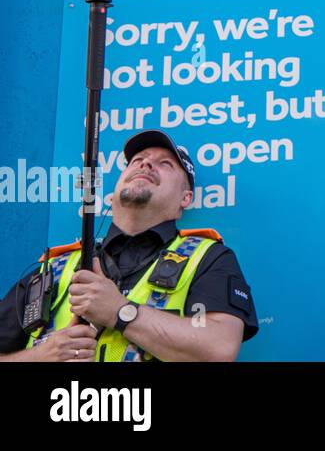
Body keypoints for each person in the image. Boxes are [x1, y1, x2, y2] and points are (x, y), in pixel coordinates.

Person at [0, 129, 258, 362]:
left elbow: (218, 347)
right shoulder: (56, 266)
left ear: (185, 198)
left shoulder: (208, 257)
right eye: (137, 161)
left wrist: (119, 311)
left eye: (165, 164)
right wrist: (40, 356)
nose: (145, 163)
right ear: (113, 192)